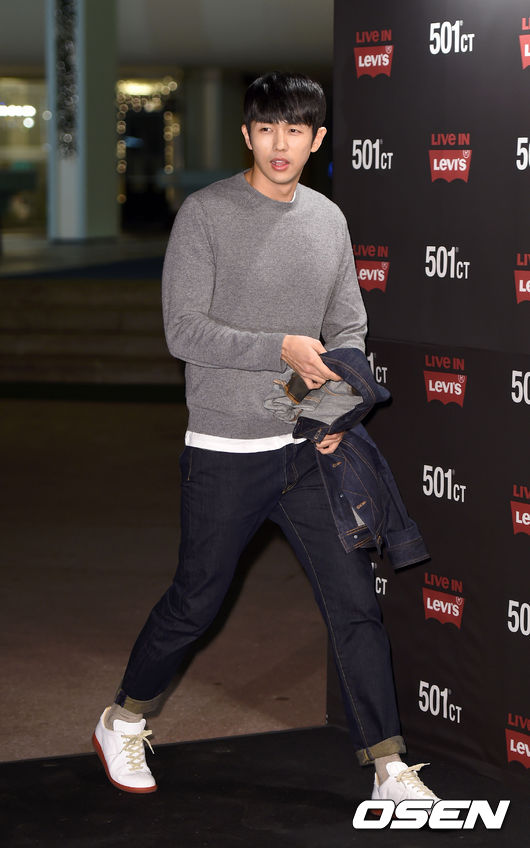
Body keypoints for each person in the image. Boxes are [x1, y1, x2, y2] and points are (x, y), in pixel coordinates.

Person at [93, 71, 439, 805]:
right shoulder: (206, 214)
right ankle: (123, 718)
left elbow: (348, 330)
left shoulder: (328, 220)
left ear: (317, 139)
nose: (281, 144)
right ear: (247, 134)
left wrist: (333, 414)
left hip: (308, 453)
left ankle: (389, 766)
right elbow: (183, 331)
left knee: (355, 604)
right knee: (196, 601)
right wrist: (278, 346)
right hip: (225, 451)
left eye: (296, 130)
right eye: (267, 128)